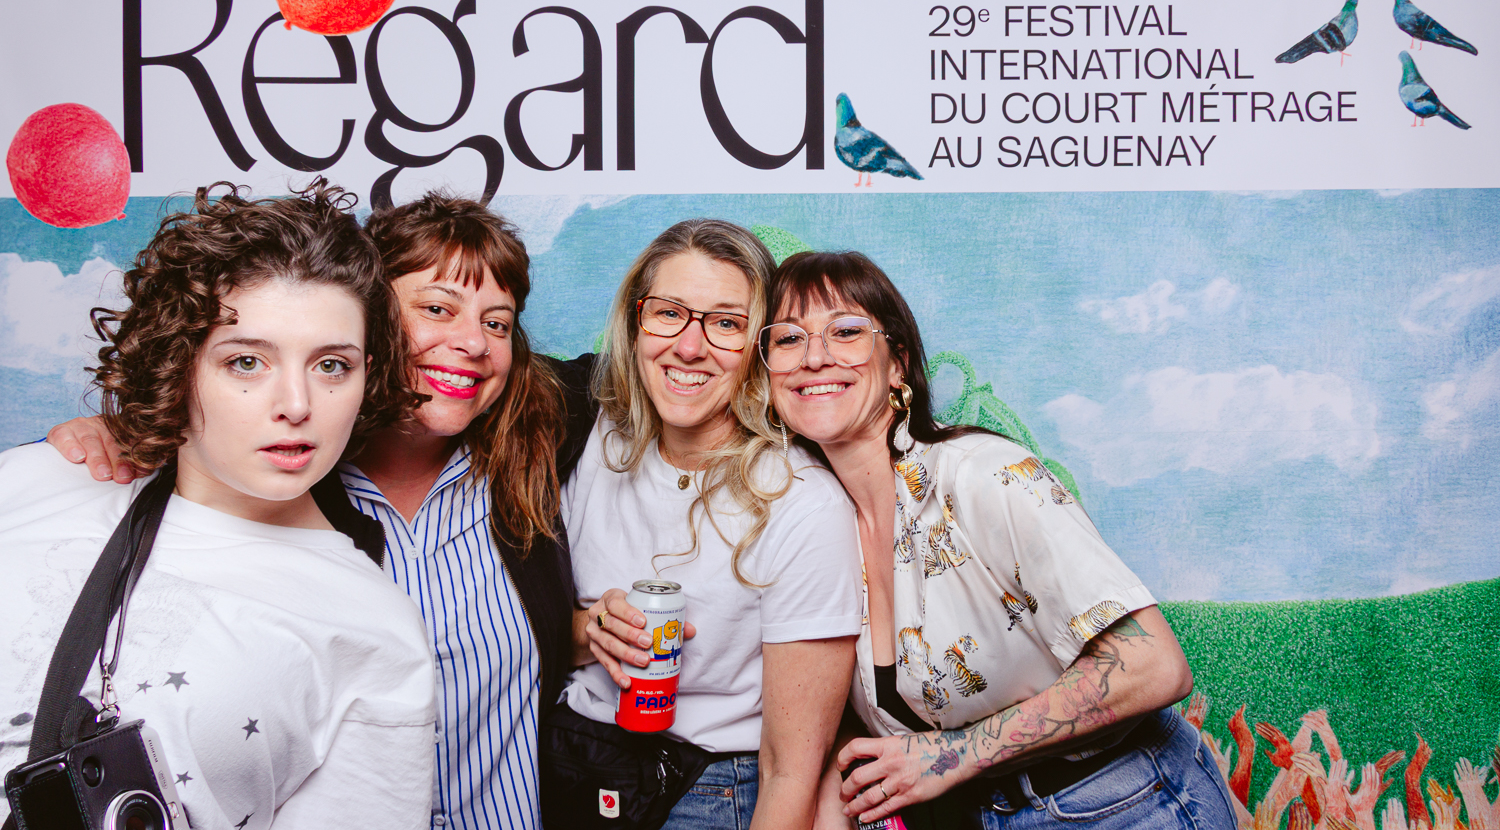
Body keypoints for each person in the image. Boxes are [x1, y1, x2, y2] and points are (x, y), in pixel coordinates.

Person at [45, 191, 591, 830]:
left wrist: (581, 630)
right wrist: (125, 430)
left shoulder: (539, 440)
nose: (472, 342)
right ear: (366, 322)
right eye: (437, 309)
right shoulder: (281, 482)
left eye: (497, 323)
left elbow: (657, 366)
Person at [1, 181, 437, 828]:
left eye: (331, 366)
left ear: (367, 374)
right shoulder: (36, 479)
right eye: (247, 362)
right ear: (180, 364)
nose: (296, 403)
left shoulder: (374, 631)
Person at [761, 251, 1238, 830]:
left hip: (1125, 801)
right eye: (788, 338)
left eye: (845, 332)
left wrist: (952, 756)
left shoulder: (981, 473)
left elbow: (1156, 666)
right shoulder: (816, 528)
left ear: (897, 365)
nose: (814, 357)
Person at [568, 220, 864, 829]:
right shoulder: (590, 438)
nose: (688, 347)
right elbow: (530, 635)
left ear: (760, 347)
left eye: (726, 324)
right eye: (668, 313)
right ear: (635, 323)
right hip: (578, 762)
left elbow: (790, 771)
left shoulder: (804, 503)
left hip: (712, 788)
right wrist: (591, 628)